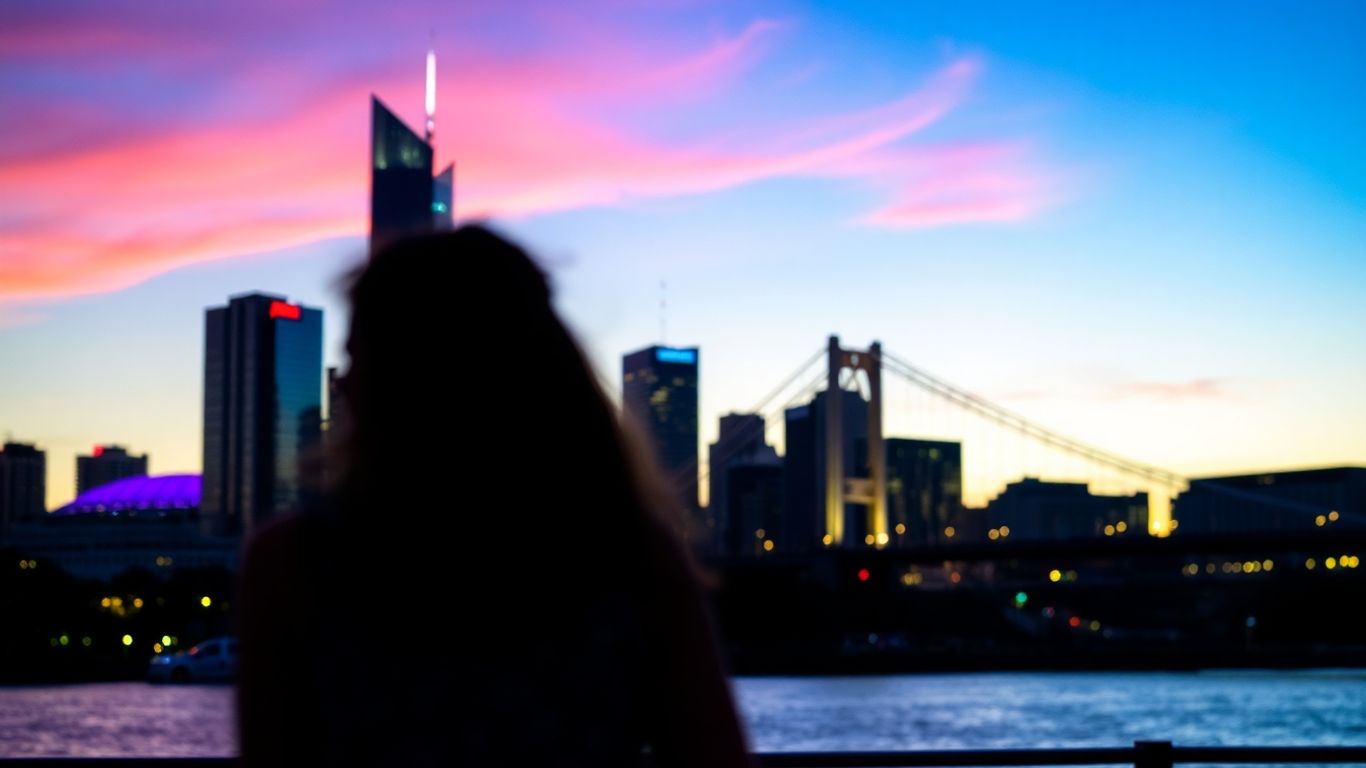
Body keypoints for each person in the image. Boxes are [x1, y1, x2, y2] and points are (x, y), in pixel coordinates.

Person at [236, 225, 751, 767]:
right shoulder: (630, 557)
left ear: (414, 378)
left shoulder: (292, 566)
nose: (342, 383)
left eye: (361, 358)